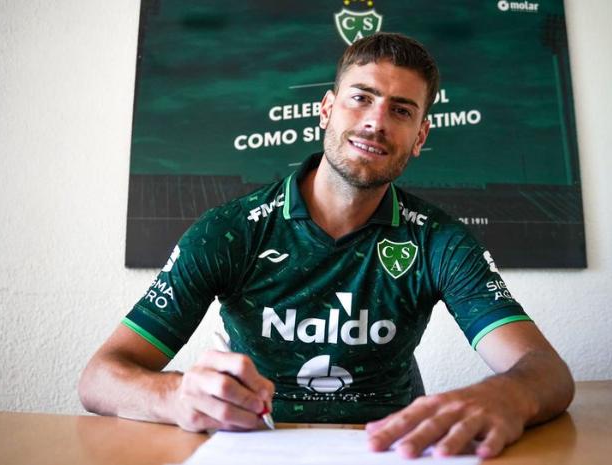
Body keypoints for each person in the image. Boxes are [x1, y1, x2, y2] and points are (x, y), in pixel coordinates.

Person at [79, 32, 574, 459]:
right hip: (254, 449)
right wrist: (175, 397)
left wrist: (506, 395)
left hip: (388, 450)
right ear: (326, 109)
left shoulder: (440, 240)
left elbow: (547, 371)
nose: (376, 122)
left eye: (401, 110)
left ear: (421, 136)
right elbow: (99, 378)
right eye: (361, 98)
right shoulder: (229, 230)